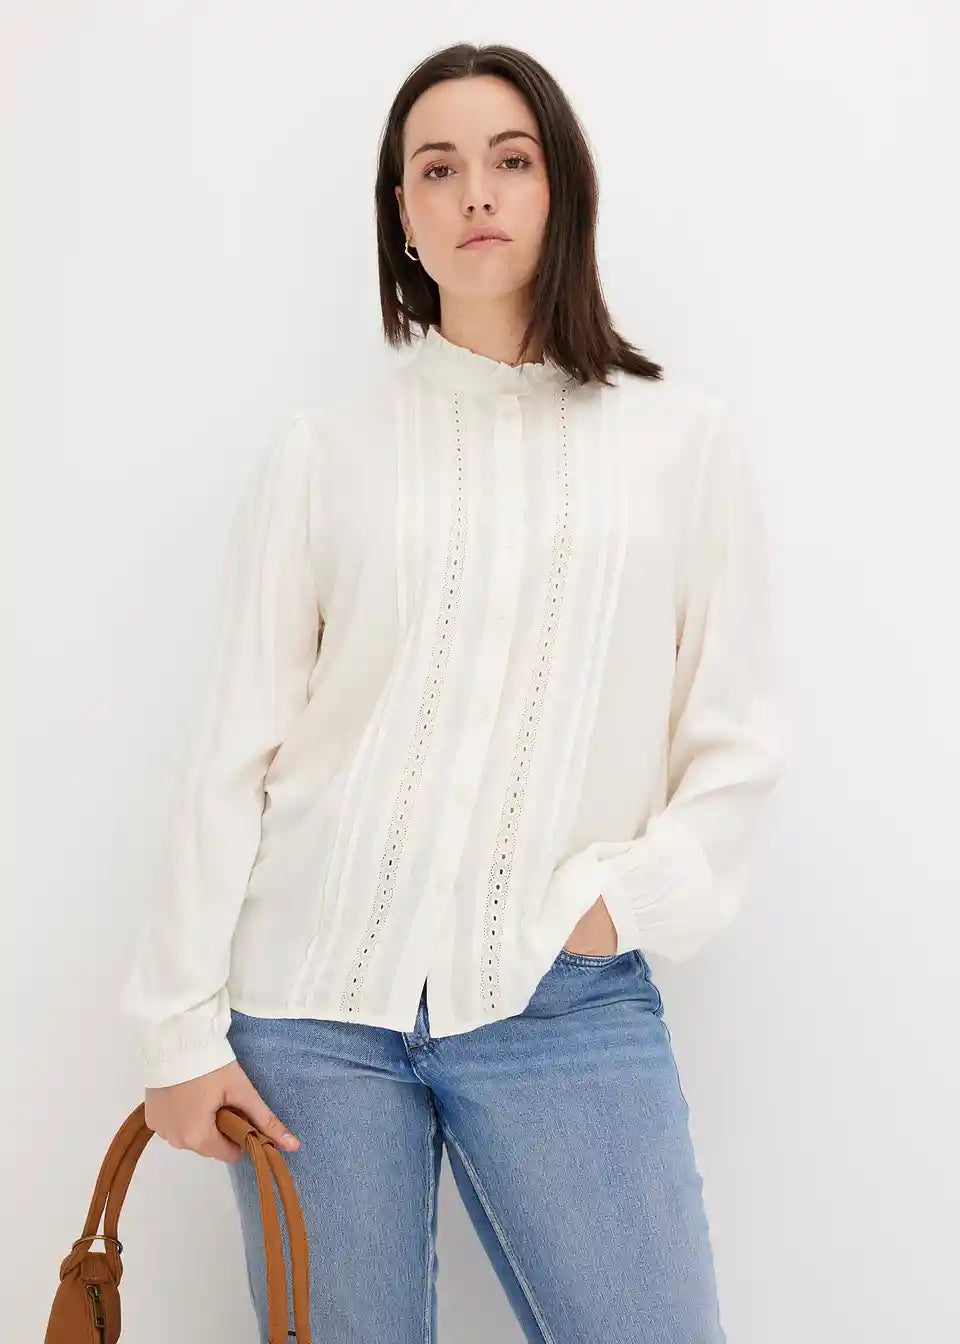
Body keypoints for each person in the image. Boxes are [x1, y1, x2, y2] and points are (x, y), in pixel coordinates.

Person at [121, 41, 783, 1344]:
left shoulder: (681, 446)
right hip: (309, 1017)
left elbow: (737, 743)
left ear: (560, 188)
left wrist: (615, 908)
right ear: (404, 216)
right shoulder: (324, 457)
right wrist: (178, 1032)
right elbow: (234, 754)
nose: (475, 190)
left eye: (509, 159)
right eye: (438, 168)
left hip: (559, 999)